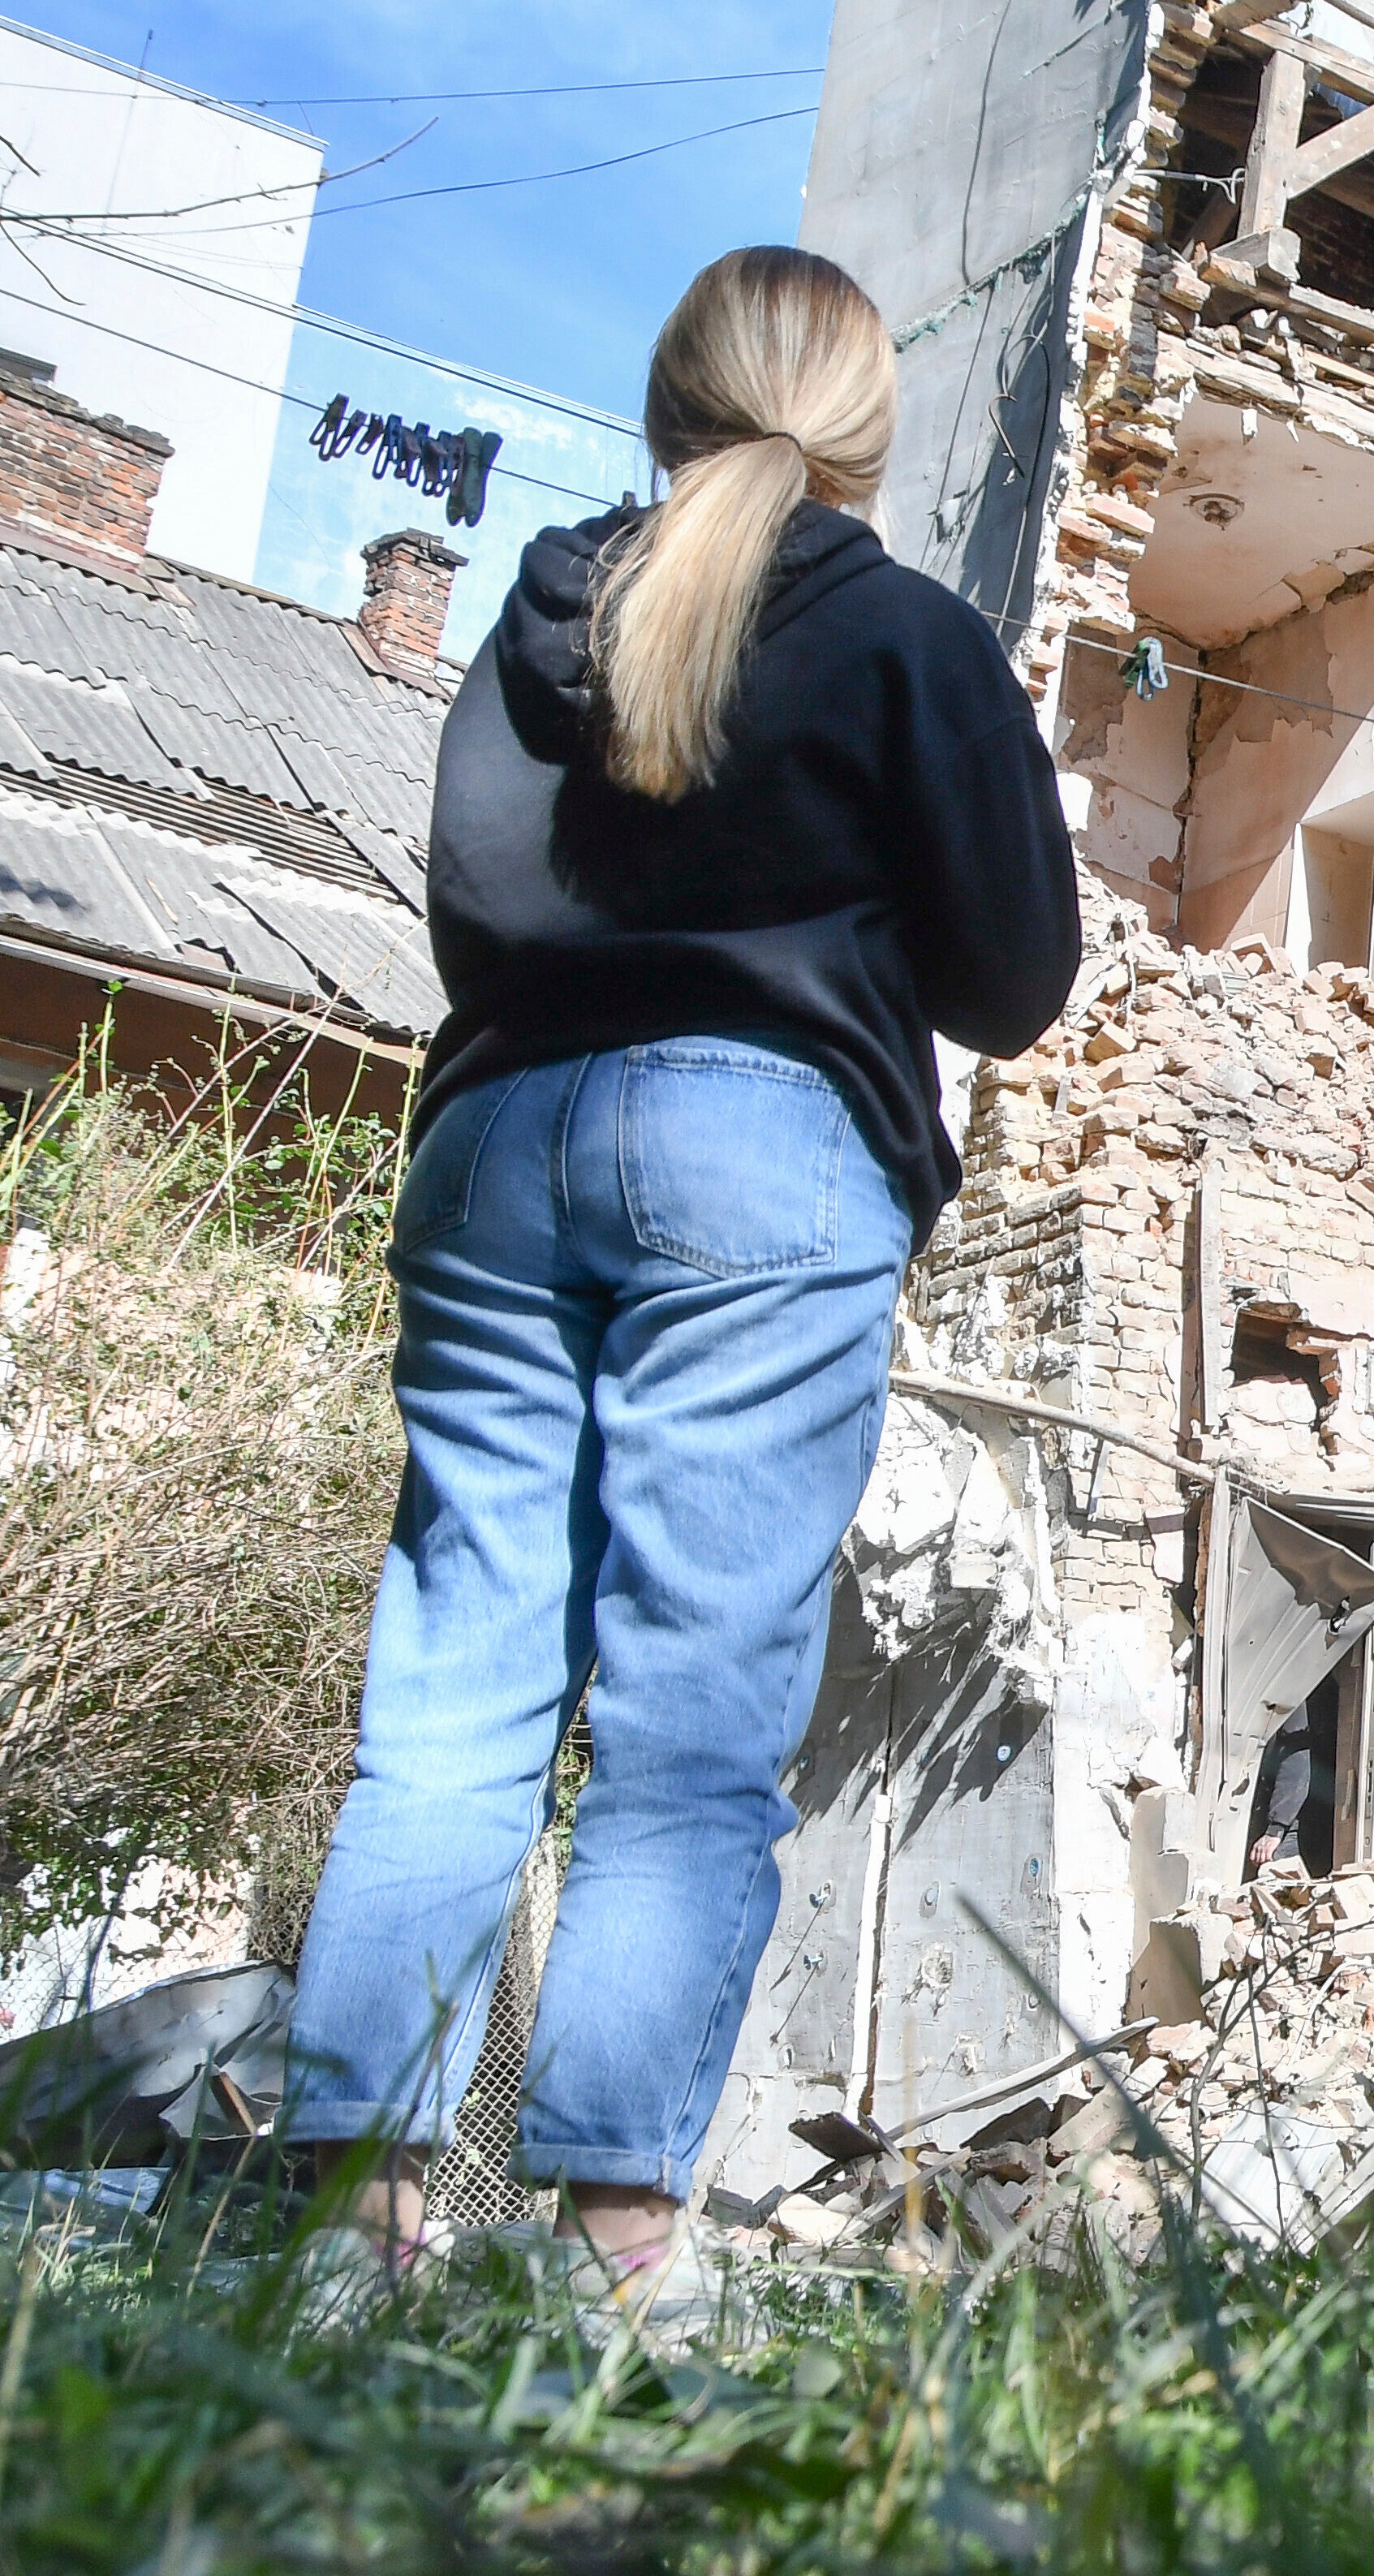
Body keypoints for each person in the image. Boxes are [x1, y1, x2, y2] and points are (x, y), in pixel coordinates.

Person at [286, 247, 1083, 2295]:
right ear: (866, 437)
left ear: (668, 409)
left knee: (455, 1689)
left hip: (497, 1141)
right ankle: (619, 2250)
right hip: (764, 1159)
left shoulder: (533, 623)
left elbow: (472, 909)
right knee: (686, 1714)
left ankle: (350, 2243)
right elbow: (1014, 979)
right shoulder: (909, 637)